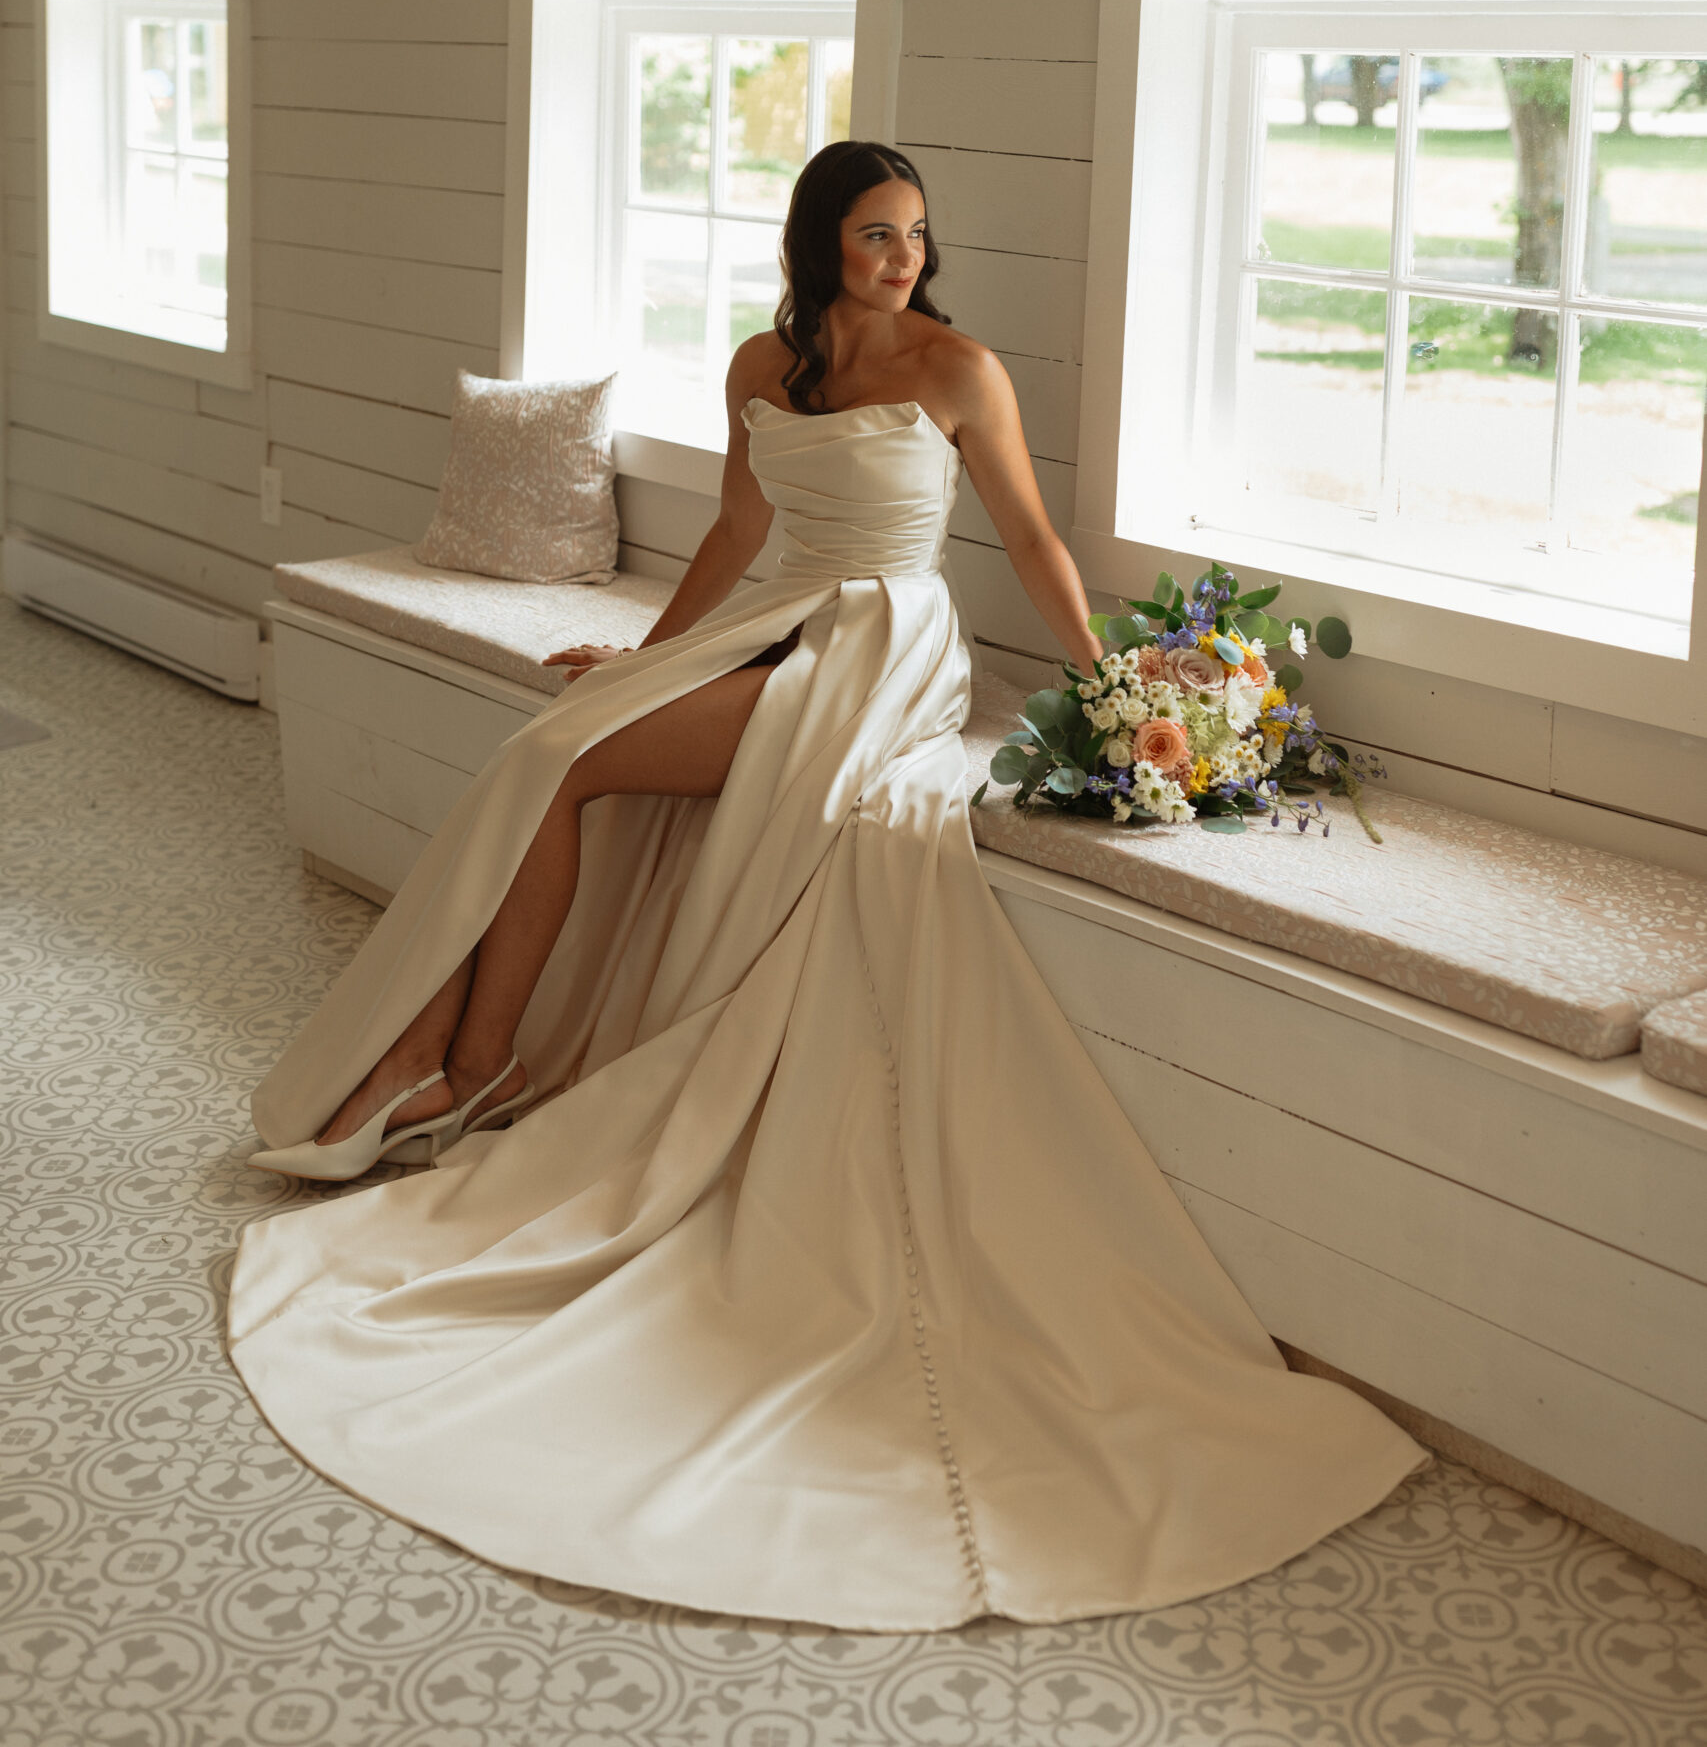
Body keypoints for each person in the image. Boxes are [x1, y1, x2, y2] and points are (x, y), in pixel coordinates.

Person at [230, 140, 1422, 1632]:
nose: (902, 258)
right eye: (874, 235)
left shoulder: (958, 368)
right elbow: (739, 535)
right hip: (787, 614)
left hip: (881, 649)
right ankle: (457, 1055)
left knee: (569, 767)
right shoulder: (764, 362)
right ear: (819, 243)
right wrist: (648, 661)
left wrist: (1117, 686)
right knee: (555, 744)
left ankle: (465, 1066)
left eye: (916, 235)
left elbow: (1034, 540)